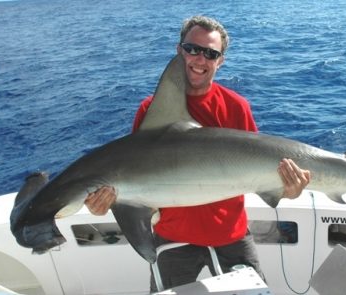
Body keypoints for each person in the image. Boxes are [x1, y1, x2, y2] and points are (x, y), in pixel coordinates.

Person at [84, 15, 311, 291]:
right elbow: (137, 178)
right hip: (173, 236)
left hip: (231, 234)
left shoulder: (237, 107)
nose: (200, 59)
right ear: (179, 51)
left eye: (210, 53)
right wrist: (109, 202)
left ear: (220, 61)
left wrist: (290, 189)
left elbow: (260, 172)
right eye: (192, 49)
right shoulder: (149, 111)